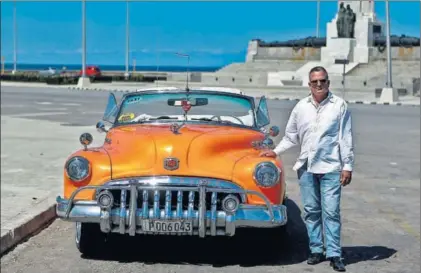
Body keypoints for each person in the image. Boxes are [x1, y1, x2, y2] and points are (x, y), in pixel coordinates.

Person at [260, 66, 354, 272]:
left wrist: (347, 166)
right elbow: (291, 136)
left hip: (331, 167)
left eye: (322, 81)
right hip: (307, 168)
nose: (319, 85)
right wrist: (275, 152)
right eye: (315, 82)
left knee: (330, 212)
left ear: (328, 82)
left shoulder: (339, 106)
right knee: (311, 211)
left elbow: (345, 137)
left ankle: (334, 253)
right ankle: (316, 250)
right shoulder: (301, 107)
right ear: (309, 84)